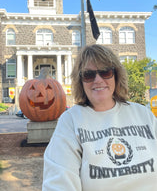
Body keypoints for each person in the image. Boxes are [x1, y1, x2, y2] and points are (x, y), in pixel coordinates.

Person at [42, 44, 157, 191]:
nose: (98, 80)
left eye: (105, 72)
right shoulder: (71, 120)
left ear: (116, 75)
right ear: (80, 81)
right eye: (89, 75)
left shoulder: (143, 114)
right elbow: (58, 181)